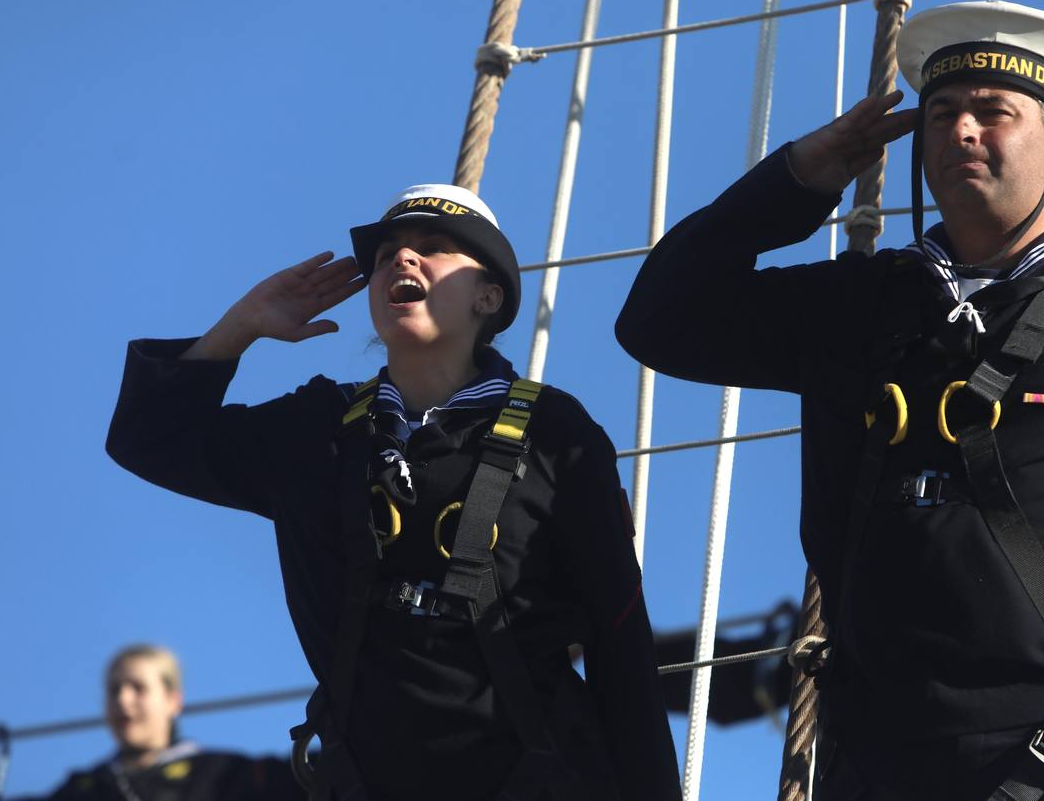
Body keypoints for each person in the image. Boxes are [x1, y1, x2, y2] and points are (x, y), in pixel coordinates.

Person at [615, 0, 1044, 800]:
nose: (962, 132)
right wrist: (803, 176)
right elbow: (659, 322)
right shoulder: (861, 303)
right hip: (873, 758)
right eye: (941, 115)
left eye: (992, 112)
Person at [107, 185, 681, 800]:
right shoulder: (316, 428)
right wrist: (241, 326)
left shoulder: (556, 434)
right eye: (387, 256)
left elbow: (620, 643)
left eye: (433, 249)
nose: (403, 262)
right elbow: (148, 439)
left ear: (490, 297)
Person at [38, 645, 301, 801]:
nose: (123, 699)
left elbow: (313, 774)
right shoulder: (83, 788)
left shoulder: (221, 772)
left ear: (173, 701)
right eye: (114, 690)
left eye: (138, 688)